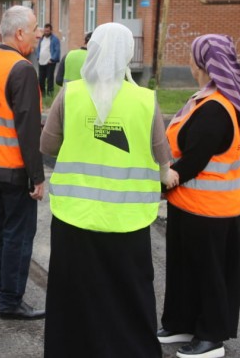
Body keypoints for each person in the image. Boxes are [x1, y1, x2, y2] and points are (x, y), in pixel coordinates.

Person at [41, 23, 174, 357]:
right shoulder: (145, 101)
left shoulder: (69, 94)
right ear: (127, 54)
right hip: (127, 221)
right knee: (130, 294)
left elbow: (48, 145)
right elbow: (162, 157)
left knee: (74, 293)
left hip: (75, 219)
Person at [158, 34, 240, 358]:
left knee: (208, 274)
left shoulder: (215, 109)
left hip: (209, 211)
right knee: (185, 269)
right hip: (191, 206)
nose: (188, 61)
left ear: (202, 63)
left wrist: (159, 185)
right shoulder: (205, 100)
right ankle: (181, 322)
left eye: (192, 56)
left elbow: (194, 161)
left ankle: (211, 336)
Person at [0, 5, 46, 320]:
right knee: (18, 233)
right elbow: (28, 128)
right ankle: (11, 301)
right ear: (19, 34)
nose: (38, 34)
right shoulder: (22, 68)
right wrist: (37, 177)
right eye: (34, 29)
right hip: (13, 169)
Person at [35, 24, 60, 97]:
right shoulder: (41, 39)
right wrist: (38, 57)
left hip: (50, 62)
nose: (46, 32)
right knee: (41, 78)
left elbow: (57, 50)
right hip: (41, 62)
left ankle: (50, 93)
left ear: (51, 31)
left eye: (48, 31)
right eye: (45, 30)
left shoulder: (54, 39)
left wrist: (52, 59)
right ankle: (42, 93)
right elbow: (38, 48)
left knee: (50, 78)